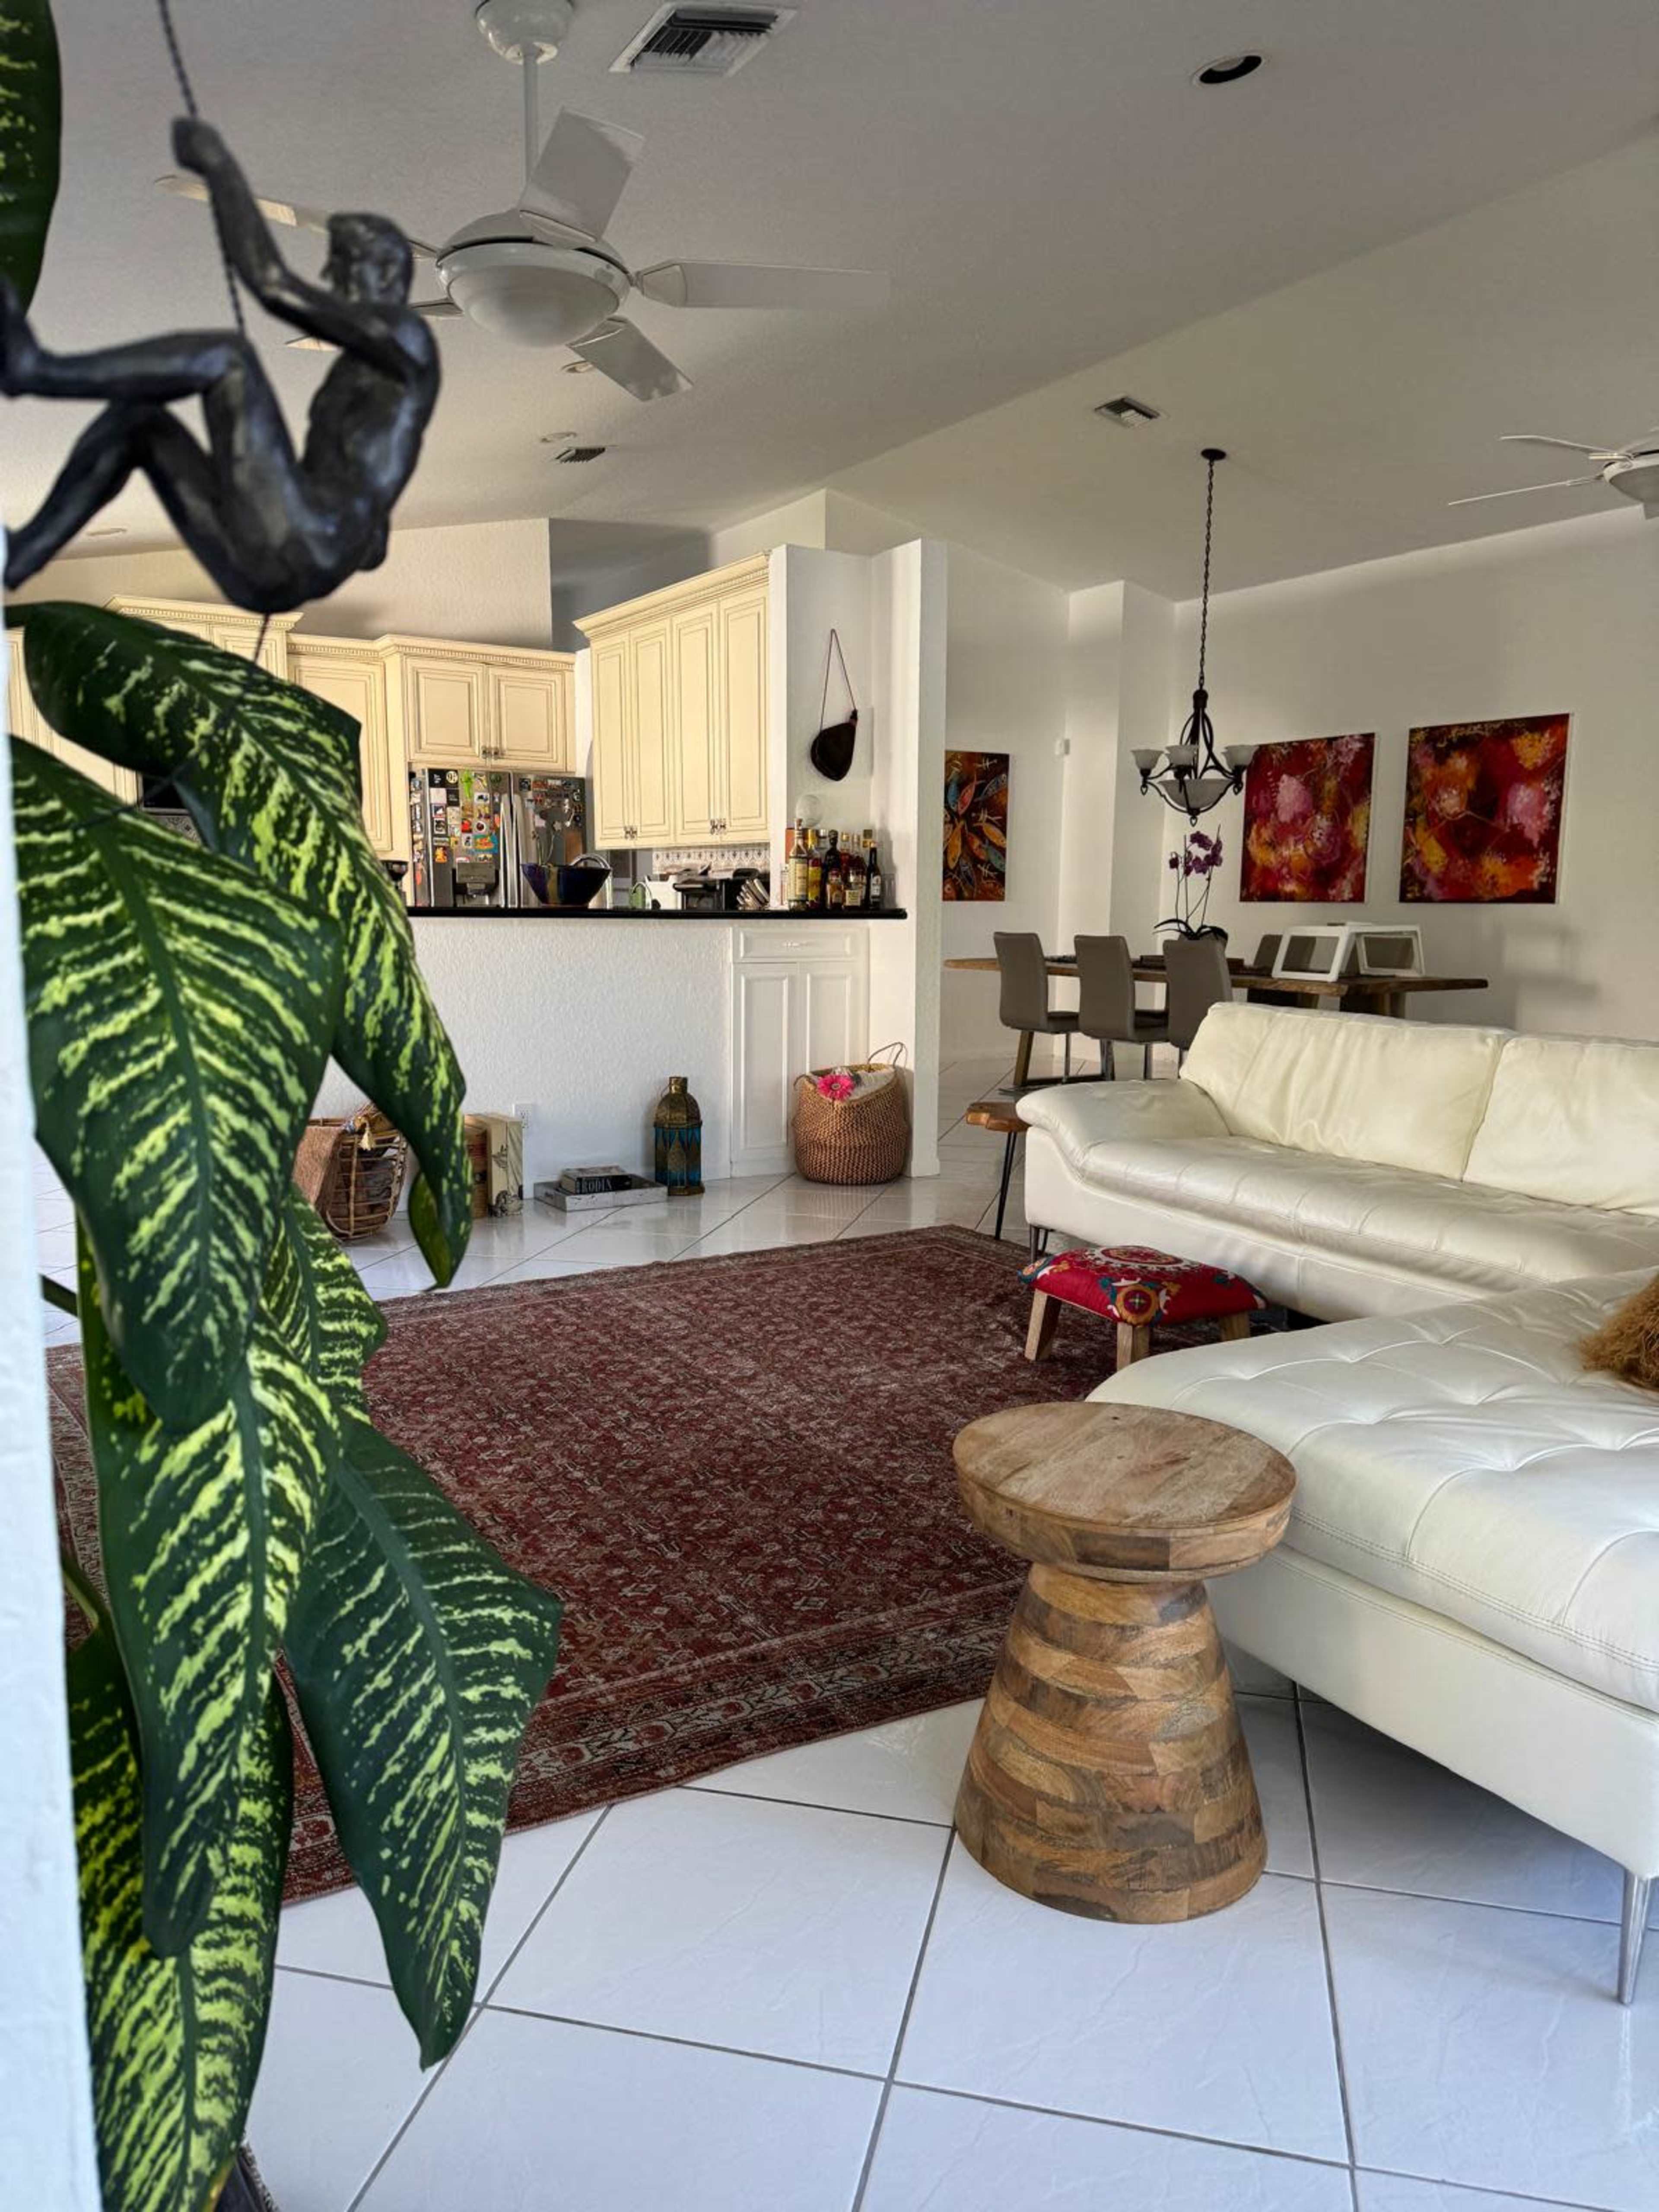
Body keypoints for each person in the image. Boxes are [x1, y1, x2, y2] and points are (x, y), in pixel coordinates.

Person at [0, 116, 439, 610]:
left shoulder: (410, 336)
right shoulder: (379, 379)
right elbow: (373, 551)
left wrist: (219, 165)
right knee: (138, 423)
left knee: (232, 358)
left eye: (343, 263)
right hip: (270, 572)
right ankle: (21, 554)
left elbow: (272, 284)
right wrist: (353, 519)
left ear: (384, 270)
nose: (329, 276)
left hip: (305, 544)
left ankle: (39, 371)